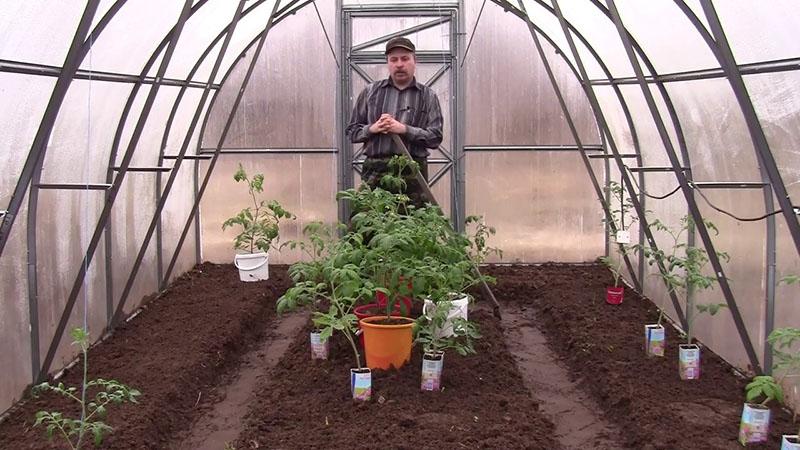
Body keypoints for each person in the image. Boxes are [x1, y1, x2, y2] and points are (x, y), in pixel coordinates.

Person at [345, 36, 444, 208]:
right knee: (368, 228)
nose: (399, 64)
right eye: (394, 59)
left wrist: (404, 129)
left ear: (415, 61)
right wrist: (373, 128)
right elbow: (352, 131)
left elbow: (435, 137)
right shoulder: (370, 93)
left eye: (405, 59)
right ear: (388, 63)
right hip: (375, 171)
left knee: (413, 228)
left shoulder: (428, 96)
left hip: (413, 172)